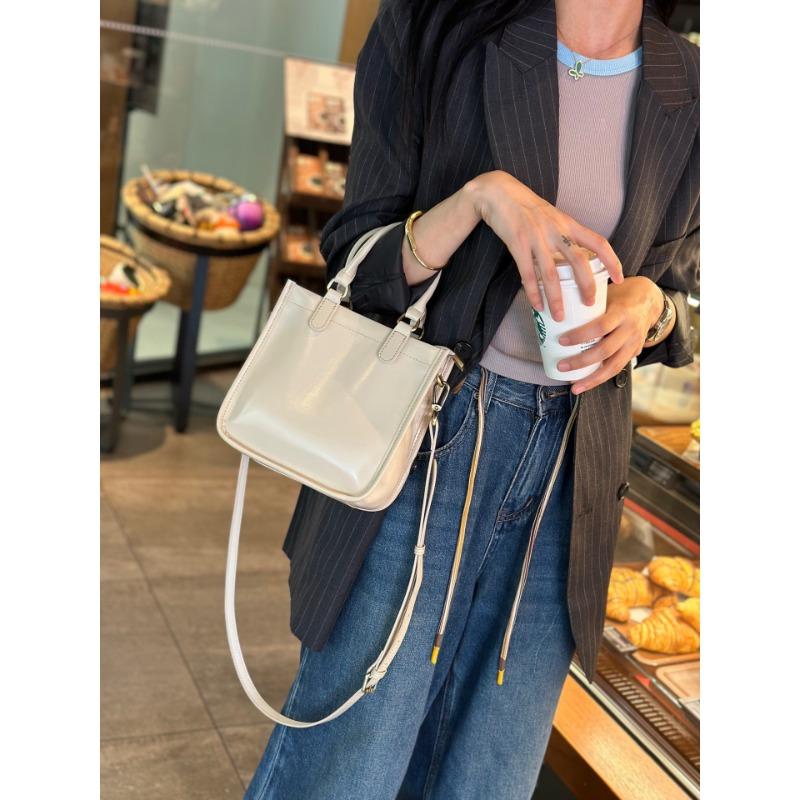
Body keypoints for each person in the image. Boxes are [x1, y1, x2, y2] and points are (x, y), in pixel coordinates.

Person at [245, 0, 699, 797]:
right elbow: (353, 260)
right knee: (346, 768)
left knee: (487, 779)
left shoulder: (693, 82)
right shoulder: (437, 25)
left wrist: (652, 307)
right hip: (423, 442)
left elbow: (683, 285)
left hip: (571, 479)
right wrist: (477, 200)